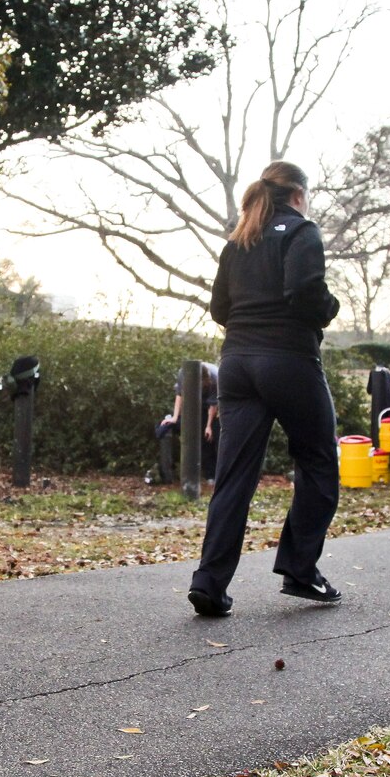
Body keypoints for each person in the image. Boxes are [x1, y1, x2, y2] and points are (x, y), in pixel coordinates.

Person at [187, 161, 343, 618]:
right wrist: (329, 307)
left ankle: (209, 583)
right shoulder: (302, 231)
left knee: (234, 476)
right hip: (289, 362)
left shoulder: (239, 241)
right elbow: (305, 290)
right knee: (317, 462)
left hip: (236, 365)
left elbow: (219, 307)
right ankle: (300, 570)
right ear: (298, 194)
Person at [150, 361, 219, 485]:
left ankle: (211, 475)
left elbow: (213, 405)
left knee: (208, 438)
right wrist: (175, 417)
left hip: (210, 406)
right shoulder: (184, 373)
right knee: (165, 428)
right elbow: (179, 395)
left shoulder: (215, 377)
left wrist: (208, 426)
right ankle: (167, 475)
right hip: (191, 402)